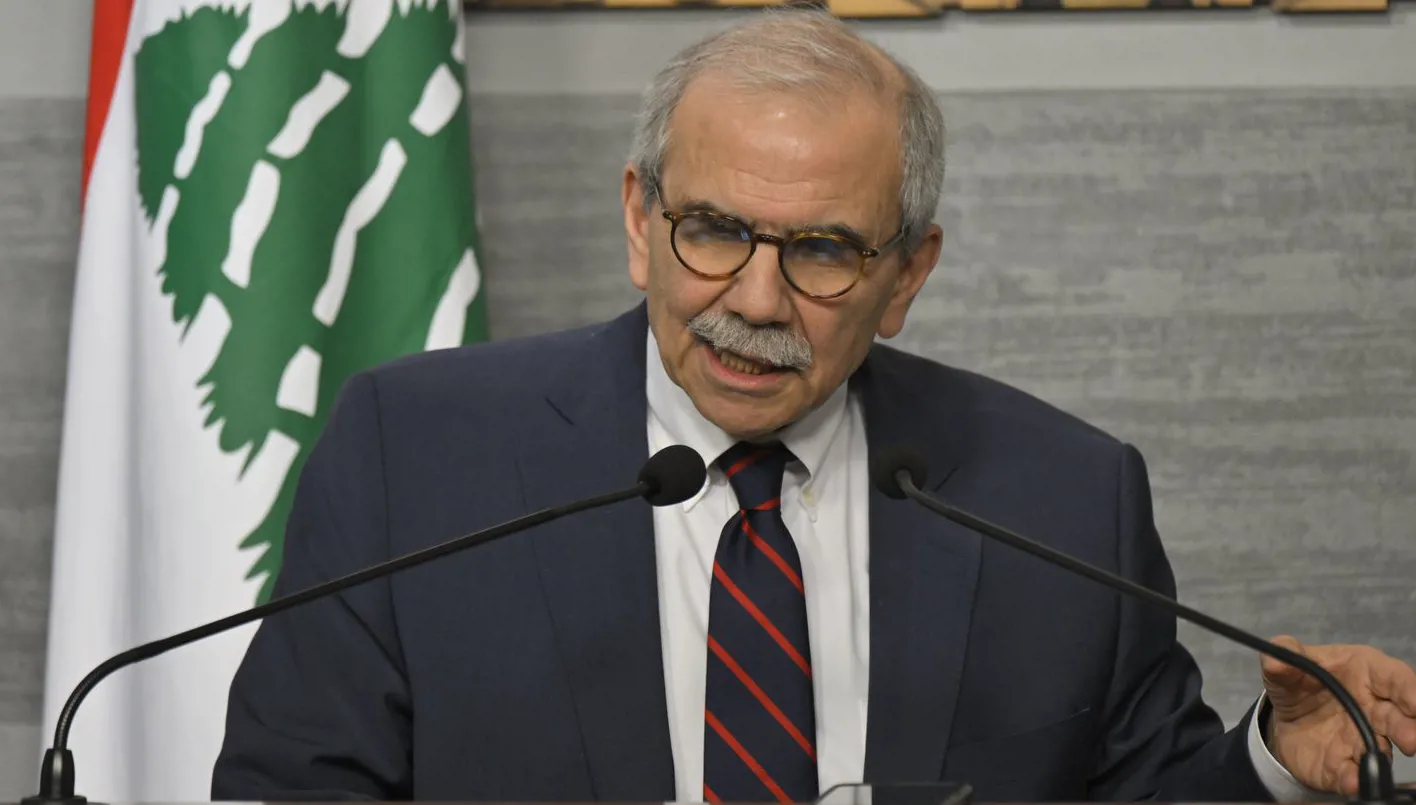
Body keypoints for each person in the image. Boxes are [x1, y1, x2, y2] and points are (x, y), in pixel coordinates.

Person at [211, 8, 1416, 803]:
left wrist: (1277, 762)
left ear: (908, 274)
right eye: (713, 230)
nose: (756, 298)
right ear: (639, 218)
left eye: (824, 251)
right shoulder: (417, 458)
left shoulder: (1060, 498)